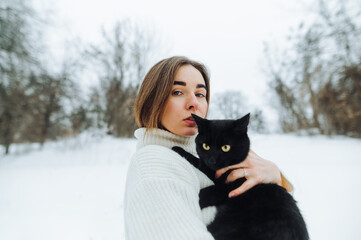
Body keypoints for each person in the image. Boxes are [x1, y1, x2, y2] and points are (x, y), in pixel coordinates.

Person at [124, 56, 293, 240]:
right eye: (178, 92)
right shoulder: (154, 165)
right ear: (151, 102)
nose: (193, 103)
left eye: (200, 94)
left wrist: (277, 178)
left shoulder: (203, 154)